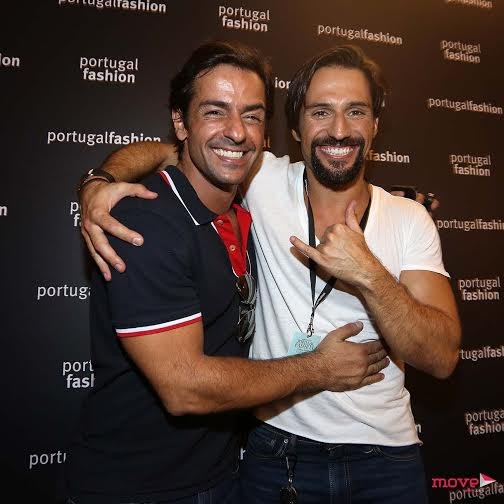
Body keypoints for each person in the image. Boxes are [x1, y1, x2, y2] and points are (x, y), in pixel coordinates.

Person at [77, 45, 461, 503]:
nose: (340, 129)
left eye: (356, 111)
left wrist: (369, 274)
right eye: (321, 112)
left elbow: (441, 357)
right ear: (295, 128)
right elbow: (171, 151)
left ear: (375, 125)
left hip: (385, 457)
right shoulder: (258, 177)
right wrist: (99, 182)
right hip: (276, 453)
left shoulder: (408, 218)